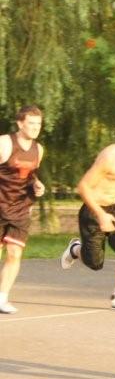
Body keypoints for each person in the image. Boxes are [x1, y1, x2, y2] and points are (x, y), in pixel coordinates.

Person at [59, 121, 115, 311]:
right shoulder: (110, 156)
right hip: (94, 209)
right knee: (94, 262)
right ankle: (75, 249)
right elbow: (83, 186)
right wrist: (101, 215)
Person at [0, 105, 45, 314]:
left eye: (39, 124)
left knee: (14, 253)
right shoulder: (4, 143)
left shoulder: (39, 149)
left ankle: (2, 298)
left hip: (20, 208)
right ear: (20, 124)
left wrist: (37, 185)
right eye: (31, 123)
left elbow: (30, 175)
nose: (35, 128)